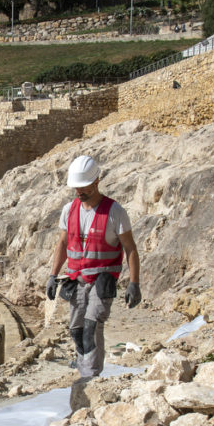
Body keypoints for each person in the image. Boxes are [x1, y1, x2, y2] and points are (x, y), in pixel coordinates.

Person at [45, 155, 141, 380]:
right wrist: (53, 275)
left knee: (91, 327)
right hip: (76, 281)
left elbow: (130, 248)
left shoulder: (114, 212)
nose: (79, 192)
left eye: (84, 187)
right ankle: (84, 368)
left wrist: (134, 284)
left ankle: (90, 378)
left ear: (96, 181)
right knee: (76, 330)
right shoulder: (69, 210)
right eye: (76, 188)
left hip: (101, 281)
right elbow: (62, 243)